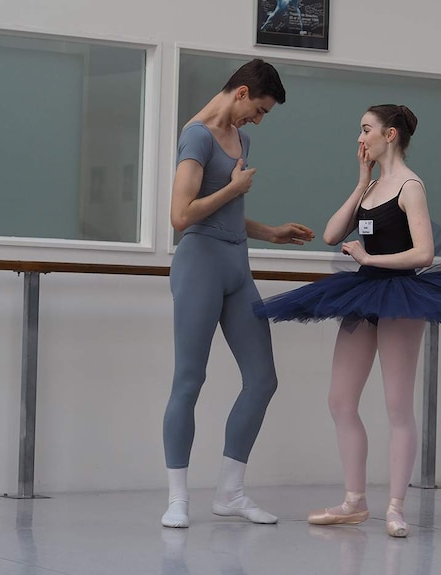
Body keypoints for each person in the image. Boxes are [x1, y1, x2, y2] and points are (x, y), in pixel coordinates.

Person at [254, 104, 441, 537]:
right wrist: (361, 183)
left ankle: (397, 506)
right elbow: (329, 235)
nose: (359, 139)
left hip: (401, 295)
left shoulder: (410, 187)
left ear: (391, 135)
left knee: (398, 406)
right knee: (340, 400)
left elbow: (424, 253)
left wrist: (368, 256)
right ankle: (354, 501)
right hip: (364, 293)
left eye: (366, 130)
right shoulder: (372, 187)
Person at [161, 58, 315, 529]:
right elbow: (181, 217)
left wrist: (269, 231)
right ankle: (178, 499)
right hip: (199, 265)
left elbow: (226, 207)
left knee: (262, 379)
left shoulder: (240, 138)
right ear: (243, 92)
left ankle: (230, 492)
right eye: (261, 110)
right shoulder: (197, 136)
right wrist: (234, 190)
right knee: (190, 379)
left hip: (236, 265)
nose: (259, 121)